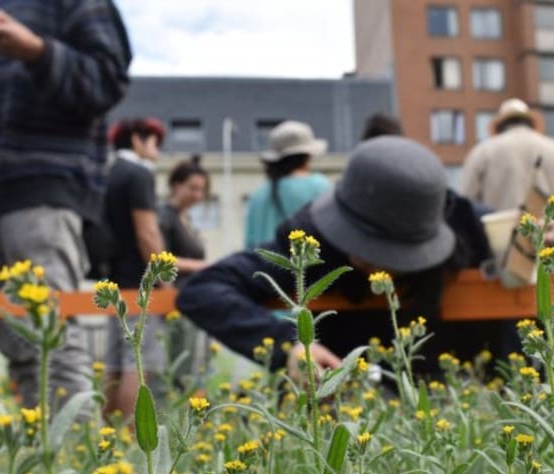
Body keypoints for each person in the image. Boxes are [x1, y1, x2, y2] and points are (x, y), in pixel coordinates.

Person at [177, 136, 500, 379]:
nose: (365, 260)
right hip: (351, 393)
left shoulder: (474, 227)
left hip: (458, 392)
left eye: (385, 254)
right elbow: (204, 289)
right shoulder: (312, 239)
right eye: (359, 243)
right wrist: (289, 348)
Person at [0, 2, 131, 407]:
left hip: (42, 185)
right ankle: (44, 460)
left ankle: (75, 464)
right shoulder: (1, 7)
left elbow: (107, 81)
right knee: (18, 345)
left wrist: (37, 51)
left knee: (52, 336)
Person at [460, 99, 554, 267]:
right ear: (531, 122)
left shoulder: (481, 154)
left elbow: (464, 214)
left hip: (500, 270)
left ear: (500, 125)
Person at [103, 117, 168, 416]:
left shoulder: (108, 173)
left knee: (115, 365)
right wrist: (165, 282)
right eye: (154, 140)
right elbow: (147, 233)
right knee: (139, 365)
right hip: (140, 284)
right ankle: (132, 442)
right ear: (137, 140)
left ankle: (108, 441)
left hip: (113, 281)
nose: (158, 148)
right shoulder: (138, 173)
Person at [158, 156, 210, 388]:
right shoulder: (164, 216)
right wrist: (204, 267)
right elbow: (162, 260)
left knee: (190, 366)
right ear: (176, 185)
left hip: (191, 301)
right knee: (177, 369)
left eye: (202, 190)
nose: (198, 195)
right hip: (172, 301)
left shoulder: (186, 219)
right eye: (193, 188)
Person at [244, 121, 331, 250]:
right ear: (307, 156)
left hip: (261, 267)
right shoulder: (321, 187)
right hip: (307, 267)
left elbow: (249, 245)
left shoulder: (258, 195)